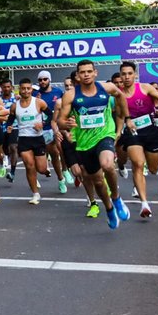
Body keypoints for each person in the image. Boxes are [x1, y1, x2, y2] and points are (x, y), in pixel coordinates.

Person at [55, 59, 128, 229]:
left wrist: (123, 121)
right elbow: (60, 121)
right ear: (78, 76)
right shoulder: (71, 95)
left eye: (89, 71)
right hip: (84, 143)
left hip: (105, 135)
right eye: (82, 72)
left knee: (108, 164)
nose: (86, 75)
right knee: (98, 182)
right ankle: (109, 209)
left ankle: (116, 199)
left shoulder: (106, 88)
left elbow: (120, 96)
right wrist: (67, 125)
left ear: (95, 72)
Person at [114, 61, 158, 220]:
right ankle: (144, 203)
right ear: (120, 76)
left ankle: (151, 172)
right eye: (123, 74)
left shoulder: (145, 87)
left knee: (153, 169)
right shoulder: (118, 95)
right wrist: (118, 132)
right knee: (138, 164)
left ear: (135, 75)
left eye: (129, 74)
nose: (126, 77)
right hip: (132, 131)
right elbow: (120, 116)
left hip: (150, 130)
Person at [10, 80, 50, 205]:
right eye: (23, 88)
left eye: (28, 88)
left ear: (31, 90)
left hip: (38, 138)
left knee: (41, 169)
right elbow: (10, 119)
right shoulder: (15, 106)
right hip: (23, 138)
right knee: (29, 165)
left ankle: (45, 169)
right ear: (19, 90)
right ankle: (35, 193)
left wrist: (43, 124)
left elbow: (52, 116)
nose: (26, 91)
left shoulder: (39, 102)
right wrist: (9, 126)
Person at [36, 71, 69, 193]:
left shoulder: (58, 92)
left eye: (45, 79)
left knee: (57, 152)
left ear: (49, 80)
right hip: (39, 130)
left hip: (52, 127)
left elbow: (63, 109)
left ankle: (62, 177)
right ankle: (36, 179)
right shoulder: (35, 94)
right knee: (37, 159)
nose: (42, 82)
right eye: (40, 80)